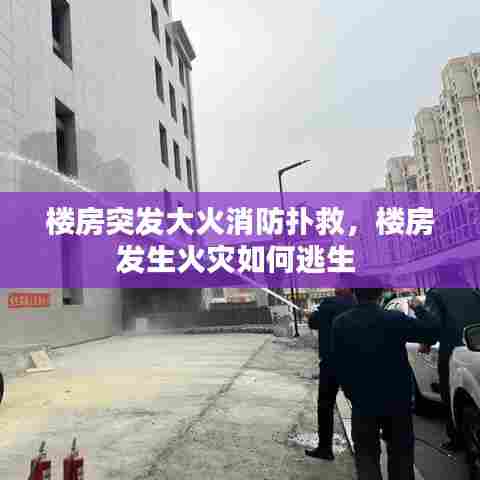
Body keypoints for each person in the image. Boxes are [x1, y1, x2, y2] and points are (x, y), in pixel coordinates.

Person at [331, 287, 439, 480]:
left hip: (363, 401)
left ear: (355, 294)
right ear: (381, 295)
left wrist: (351, 393)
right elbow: (431, 332)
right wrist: (419, 308)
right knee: (401, 456)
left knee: (366, 457)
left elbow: (338, 364)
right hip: (396, 400)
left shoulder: (341, 323)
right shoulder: (394, 319)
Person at [415, 269, 480, 452]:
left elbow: (433, 325)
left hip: (452, 352)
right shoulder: (473, 291)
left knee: (450, 394)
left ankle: (456, 440)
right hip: (475, 347)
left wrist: (418, 309)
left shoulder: (436, 293)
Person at [305, 288, 355, 461]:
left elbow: (314, 323)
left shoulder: (329, 304)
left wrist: (310, 316)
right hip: (354, 361)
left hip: (331, 362)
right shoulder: (357, 303)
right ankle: (364, 444)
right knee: (359, 403)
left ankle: (325, 448)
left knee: (325, 404)